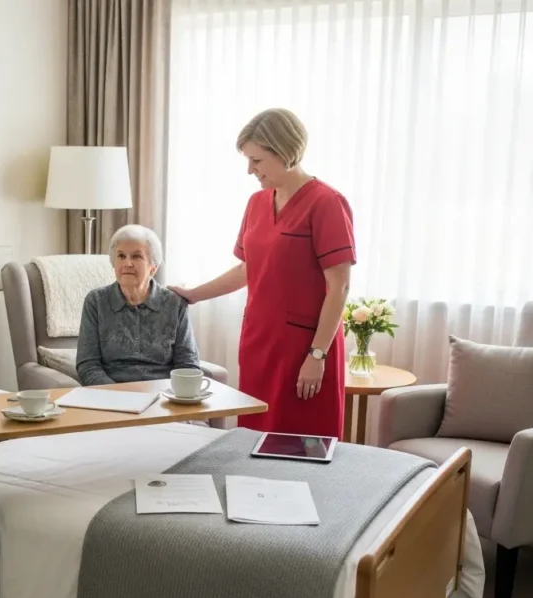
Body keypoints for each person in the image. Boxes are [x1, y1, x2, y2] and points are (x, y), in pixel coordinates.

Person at [170, 108, 355, 437]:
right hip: (260, 342)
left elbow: (338, 288)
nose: (249, 170)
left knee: (303, 442)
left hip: (304, 348)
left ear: (285, 150)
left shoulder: (327, 203)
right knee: (255, 440)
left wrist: (317, 354)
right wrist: (193, 294)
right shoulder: (256, 203)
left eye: (256, 160)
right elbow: (247, 270)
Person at [76, 224, 201, 386]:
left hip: (163, 396)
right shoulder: (96, 301)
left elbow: (188, 363)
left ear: (153, 268)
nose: (127, 263)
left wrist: (171, 395)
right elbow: (88, 365)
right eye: (121, 256)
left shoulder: (174, 303)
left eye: (136, 256)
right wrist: (118, 395)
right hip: (111, 395)